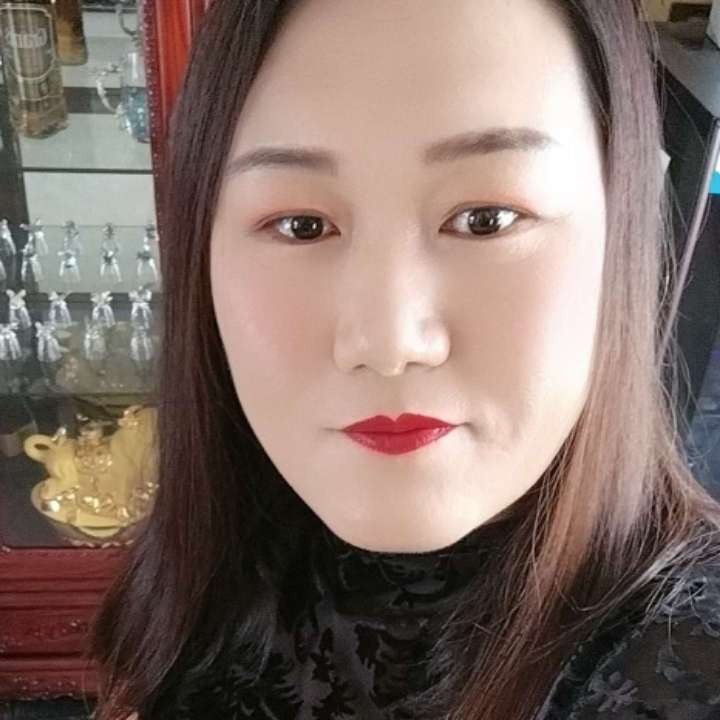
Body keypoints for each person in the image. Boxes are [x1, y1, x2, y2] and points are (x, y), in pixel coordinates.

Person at [89, 1, 720, 719]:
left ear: (621, 231)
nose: (388, 343)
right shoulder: (214, 572)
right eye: (303, 225)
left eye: (485, 220)